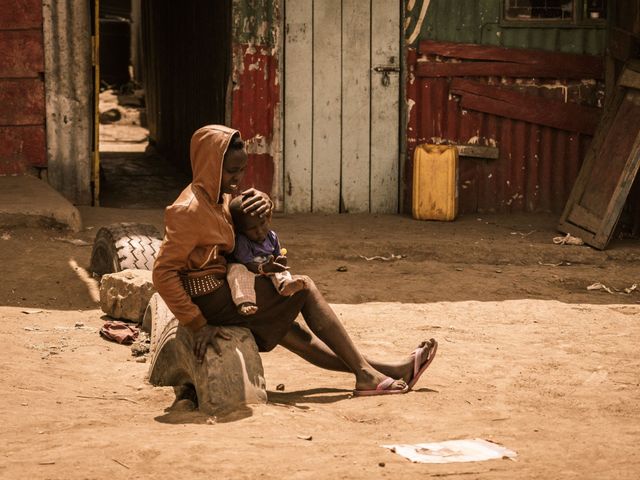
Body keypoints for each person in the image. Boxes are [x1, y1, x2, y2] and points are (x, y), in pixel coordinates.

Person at [152, 124, 437, 396]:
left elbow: (242, 217)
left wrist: (264, 199)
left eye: (242, 170)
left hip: (231, 288)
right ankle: (365, 373)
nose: (237, 179)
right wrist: (197, 323)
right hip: (212, 297)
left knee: (293, 333)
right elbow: (163, 273)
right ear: (210, 167)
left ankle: (392, 369)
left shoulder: (218, 194)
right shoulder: (187, 210)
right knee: (304, 288)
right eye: (231, 172)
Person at [226, 193, 306, 316]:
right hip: (249, 268)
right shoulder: (242, 241)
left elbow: (277, 255)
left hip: (267, 267)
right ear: (241, 229)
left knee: (279, 269)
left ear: (268, 218)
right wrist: (262, 268)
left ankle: (285, 285)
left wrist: (279, 262)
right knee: (238, 271)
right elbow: (246, 263)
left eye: (262, 223)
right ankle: (245, 302)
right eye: (252, 228)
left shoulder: (271, 236)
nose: (259, 231)